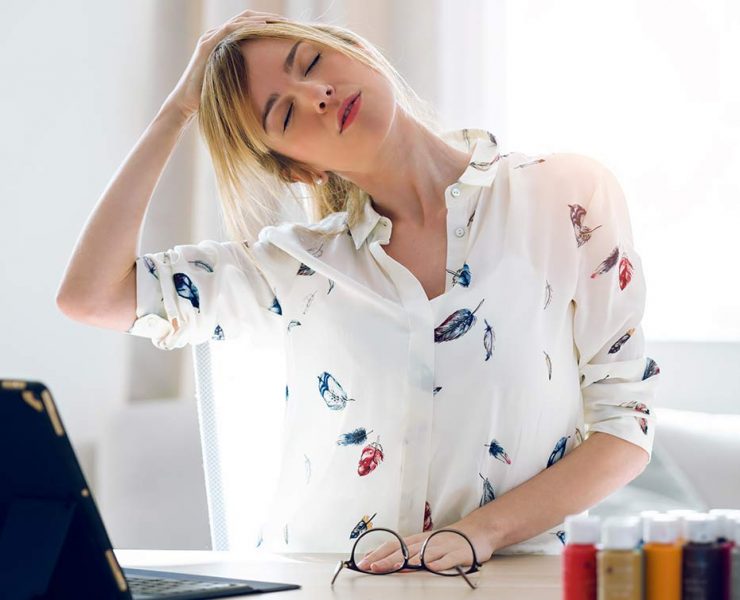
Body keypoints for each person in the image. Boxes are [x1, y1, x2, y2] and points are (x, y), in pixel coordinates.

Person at [56, 10, 662, 572]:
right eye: (285, 115)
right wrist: (177, 111)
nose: (316, 96)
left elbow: (625, 424)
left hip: (506, 581)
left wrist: (483, 531)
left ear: (356, 52)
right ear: (298, 168)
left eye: (311, 64)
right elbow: (91, 295)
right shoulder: (294, 267)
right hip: (328, 582)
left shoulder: (566, 196)